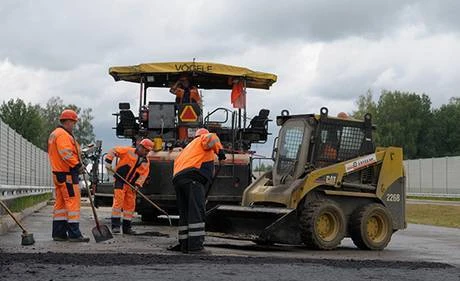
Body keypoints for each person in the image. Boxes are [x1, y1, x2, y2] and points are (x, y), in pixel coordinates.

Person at [172, 130, 226, 253]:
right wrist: (221, 154)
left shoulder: (188, 148)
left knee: (185, 212)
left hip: (178, 179)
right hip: (193, 177)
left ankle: (184, 245)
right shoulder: (203, 139)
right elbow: (212, 137)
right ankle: (196, 246)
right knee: (196, 211)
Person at [48, 109, 89, 242]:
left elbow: (65, 153)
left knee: (60, 204)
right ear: (67, 121)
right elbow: (66, 153)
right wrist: (78, 165)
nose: (74, 125)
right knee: (72, 203)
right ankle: (74, 234)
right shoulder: (63, 135)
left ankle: (59, 233)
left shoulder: (56, 134)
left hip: (59, 174)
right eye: (73, 122)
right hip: (67, 174)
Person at [104, 138, 153, 234]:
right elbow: (113, 150)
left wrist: (138, 184)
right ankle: (115, 226)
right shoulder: (128, 151)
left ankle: (127, 228)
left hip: (131, 185)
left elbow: (143, 175)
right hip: (120, 181)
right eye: (145, 150)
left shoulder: (146, 162)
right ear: (140, 147)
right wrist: (108, 162)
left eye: (148, 151)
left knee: (130, 206)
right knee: (118, 203)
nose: (146, 152)